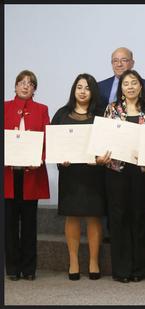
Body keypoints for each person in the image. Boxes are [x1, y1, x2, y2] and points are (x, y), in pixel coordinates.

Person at [96, 69, 145, 283]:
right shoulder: (112, 109)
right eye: (126, 83)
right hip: (115, 171)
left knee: (139, 217)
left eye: (134, 83)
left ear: (140, 86)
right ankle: (121, 269)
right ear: (121, 88)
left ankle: (138, 269)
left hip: (141, 171)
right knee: (118, 218)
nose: (130, 86)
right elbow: (103, 138)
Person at [51, 73, 106, 281]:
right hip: (70, 173)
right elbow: (54, 143)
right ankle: (73, 260)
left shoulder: (101, 115)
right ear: (74, 90)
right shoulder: (61, 114)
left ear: (93, 92)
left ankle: (93, 261)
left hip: (94, 173)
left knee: (94, 217)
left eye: (87, 88)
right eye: (79, 87)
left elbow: (107, 143)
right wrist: (60, 158)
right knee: (72, 216)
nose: (83, 91)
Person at [4, 70, 50, 281]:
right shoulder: (4, 107)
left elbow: (47, 139)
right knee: (10, 224)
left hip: (32, 174)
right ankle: (12, 268)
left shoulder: (42, 110)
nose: (25, 86)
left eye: (30, 83)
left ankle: (29, 269)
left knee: (30, 223)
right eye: (21, 82)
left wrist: (39, 158)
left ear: (34, 89)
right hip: (8, 174)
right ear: (15, 86)